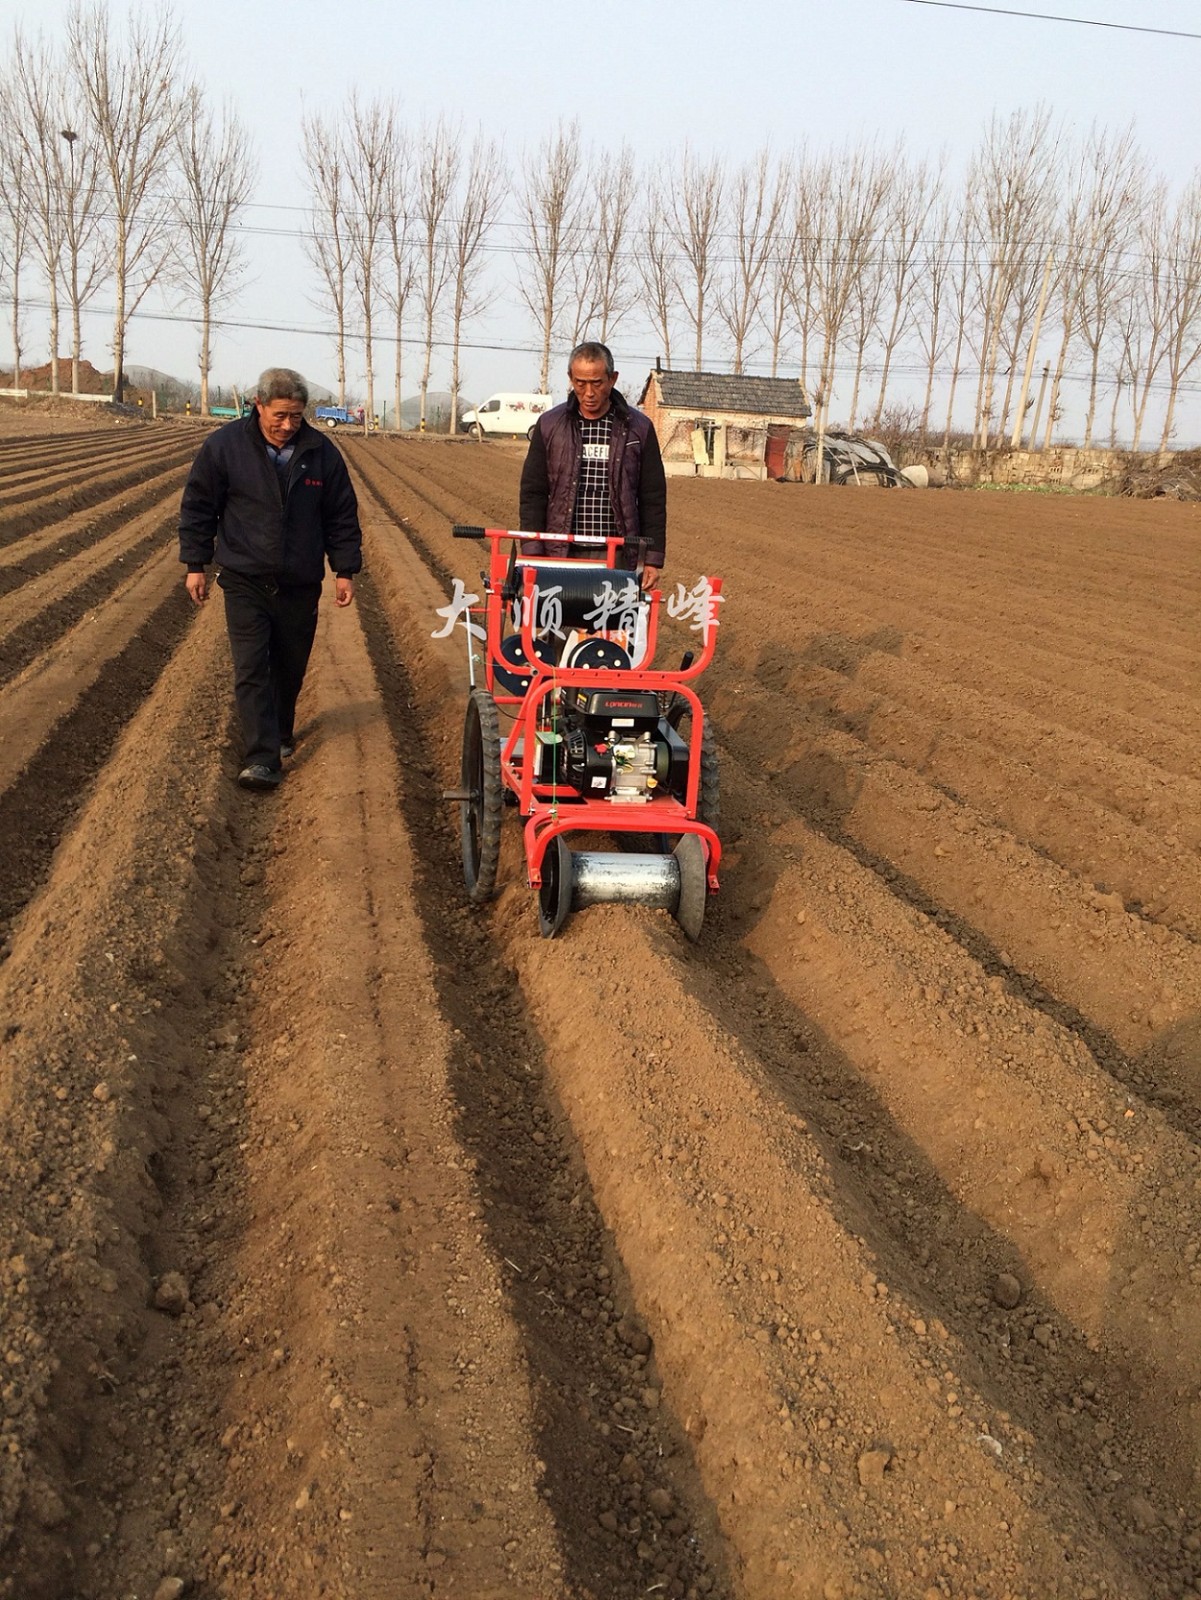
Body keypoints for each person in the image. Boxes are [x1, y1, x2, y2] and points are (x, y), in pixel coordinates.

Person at [179, 367, 362, 791]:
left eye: (296, 416)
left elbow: (341, 515)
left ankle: (280, 733)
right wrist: (195, 564)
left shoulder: (321, 453)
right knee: (251, 666)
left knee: (289, 665)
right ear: (257, 406)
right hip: (244, 575)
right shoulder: (225, 448)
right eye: (279, 415)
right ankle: (260, 757)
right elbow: (199, 507)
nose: (287, 425)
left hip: (299, 580)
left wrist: (345, 569)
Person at [519, 341, 667, 590]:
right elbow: (532, 493)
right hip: (562, 552)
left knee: (614, 625)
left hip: (618, 556)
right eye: (580, 383)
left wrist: (651, 559)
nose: (588, 392)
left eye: (597, 383)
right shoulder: (550, 425)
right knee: (558, 623)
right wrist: (534, 551)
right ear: (570, 379)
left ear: (612, 379)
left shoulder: (638, 428)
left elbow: (652, 497)